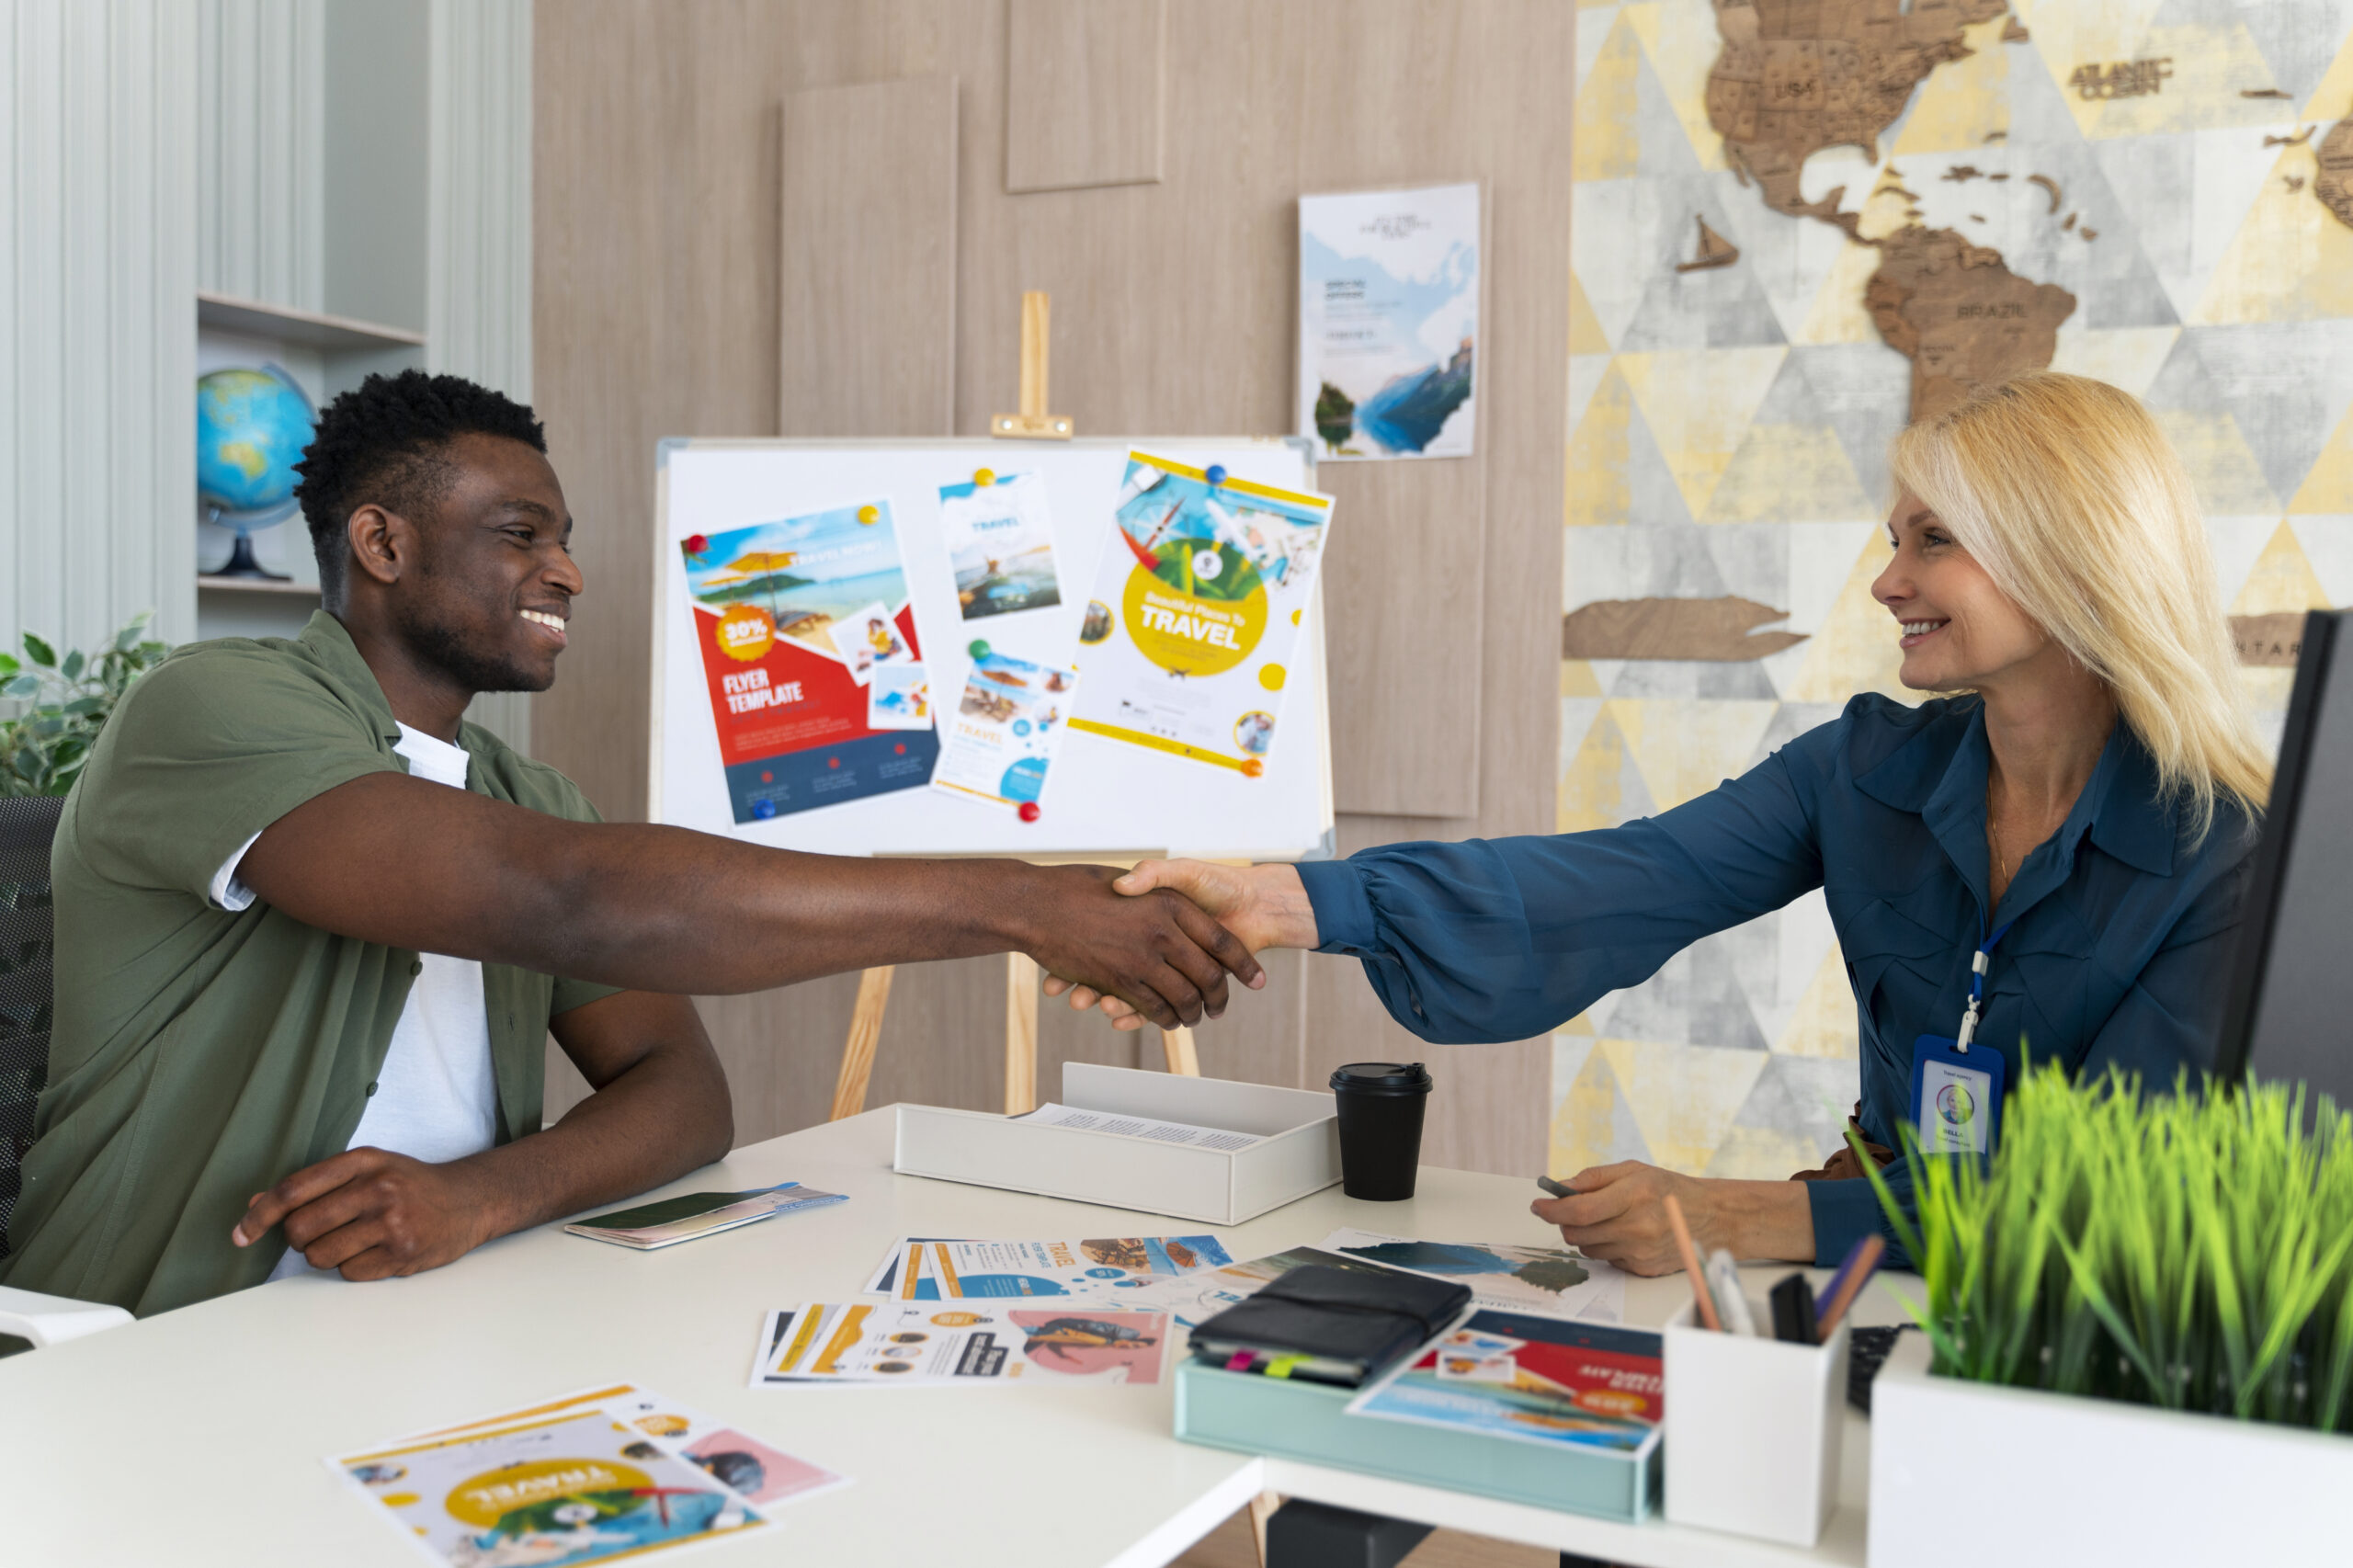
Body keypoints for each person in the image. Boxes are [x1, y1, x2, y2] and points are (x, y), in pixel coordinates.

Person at [2, 370, 1259, 1317]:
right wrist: (1019, 903)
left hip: (430, 1302)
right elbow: (564, 901)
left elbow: (682, 1091)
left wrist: (478, 1196)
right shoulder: (211, 706)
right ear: (381, 544)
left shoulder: (527, 787)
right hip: (159, 1333)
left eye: (564, 538)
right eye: (521, 534)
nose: (570, 572)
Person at [1053, 372, 2269, 1274]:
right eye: (1894, 541)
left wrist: (1746, 1214)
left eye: (1933, 541)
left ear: (2068, 558)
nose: (1888, 582)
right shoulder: (1866, 769)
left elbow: (2106, 1205)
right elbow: (1630, 878)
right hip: (1879, 1279)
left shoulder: (2231, 853)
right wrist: (1287, 900)